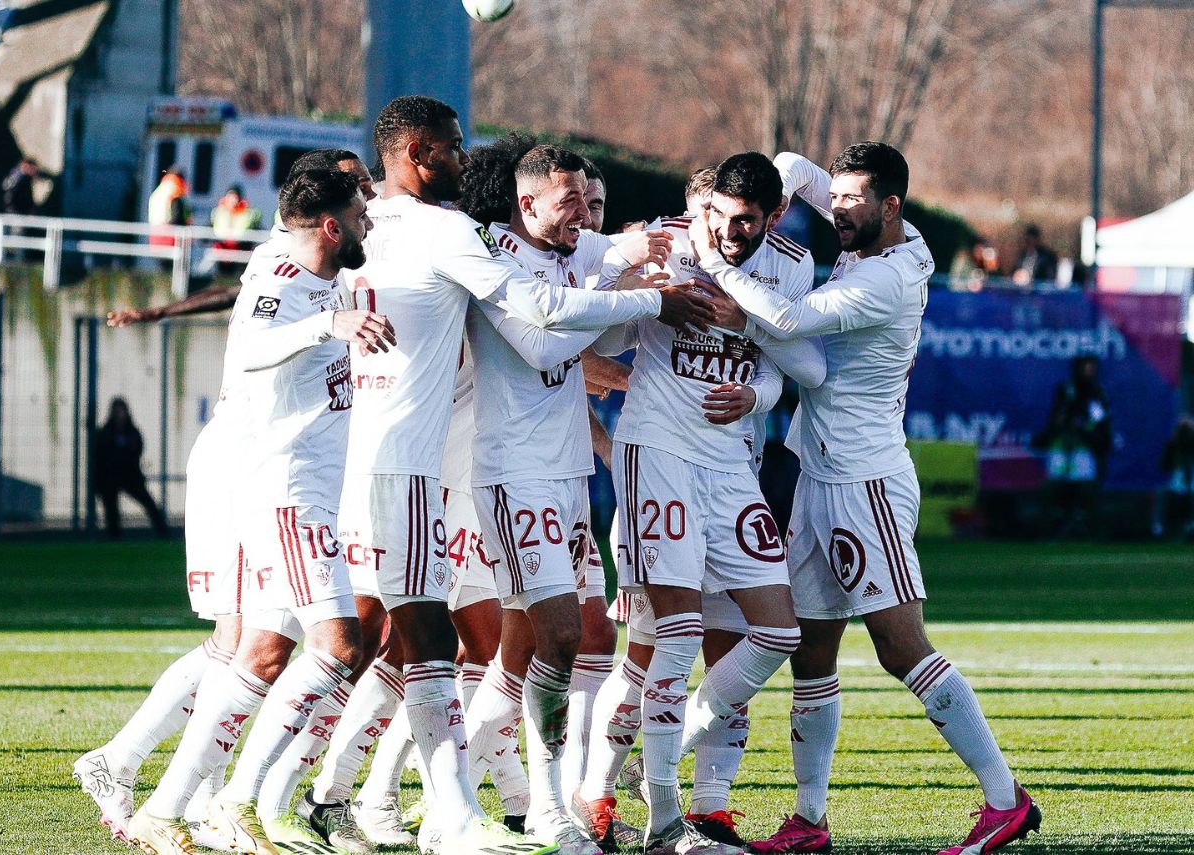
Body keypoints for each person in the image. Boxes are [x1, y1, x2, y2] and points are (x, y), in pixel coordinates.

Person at [299, 94, 709, 855]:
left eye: (593, 201)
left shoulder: (430, 233)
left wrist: (625, 277)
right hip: (482, 470)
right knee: (464, 641)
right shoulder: (479, 246)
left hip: (531, 473)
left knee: (488, 652)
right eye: (573, 200)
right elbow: (545, 341)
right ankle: (345, 793)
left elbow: (601, 331)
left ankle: (399, 798)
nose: (586, 212)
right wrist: (636, 288)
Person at [689, 142, 1039, 855]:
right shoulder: (882, 231)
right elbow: (792, 162)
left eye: (853, 201)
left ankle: (1006, 798)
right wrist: (781, 190)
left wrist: (718, 264)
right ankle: (810, 819)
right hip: (818, 477)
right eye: (835, 197)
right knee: (812, 650)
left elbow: (784, 325)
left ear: (891, 207)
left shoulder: (886, 280)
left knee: (899, 646)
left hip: (865, 483)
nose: (837, 210)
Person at [125, 165, 389, 855]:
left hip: (307, 495)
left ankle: (167, 805)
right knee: (339, 647)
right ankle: (238, 801)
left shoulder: (320, 266)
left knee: (264, 654)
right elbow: (250, 348)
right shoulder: (281, 280)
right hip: (287, 491)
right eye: (361, 211)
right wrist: (330, 324)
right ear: (331, 226)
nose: (369, 220)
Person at [593, 152, 829, 855]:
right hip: (657, 452)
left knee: (775, 631)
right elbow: (597, 330)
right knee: (664, 640)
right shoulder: (665, 239)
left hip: (731, 464)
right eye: (718, 216)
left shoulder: (792, 265)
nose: (727, 230)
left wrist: (751, 387)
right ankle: (630, 806)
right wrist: (637, 283)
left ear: (775, 216)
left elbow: (787, 375)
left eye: (745, 220)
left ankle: (675, 776)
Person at [107, 151, 375, 327]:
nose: (371, 195)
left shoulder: (350, 234)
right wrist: (160, 312)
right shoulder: (282, 256)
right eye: (360, 187)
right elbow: (239, 303)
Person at [1034, 355, 1112, 537]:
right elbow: (1056, 416)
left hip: (1084, 447)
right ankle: (1051, 527)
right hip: (1062, 445)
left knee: (1086, 487)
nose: (1090, 370)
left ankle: (1087, 527)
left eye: (1092, 367)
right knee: (1054, 486)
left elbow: (1101, 420)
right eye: (1087, 366)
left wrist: (1093, 435)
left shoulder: (1096, 392)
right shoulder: (1067, 389)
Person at [92, 398, 168, 538]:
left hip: (130, 477)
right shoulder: (106, 432)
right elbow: (103, 453)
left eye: (122, 411)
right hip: (110, 478)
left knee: (149, 504)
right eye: (117, 411)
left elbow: (136, 449)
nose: (119, 414)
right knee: (111, 509)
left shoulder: (132, 431)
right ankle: (114, 536)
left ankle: (163, 532)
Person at [1154, 418, 1194, 539]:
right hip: (1177, 483)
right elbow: (1164, 465)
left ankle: (1190, 526)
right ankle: (1158, 528)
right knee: (1162, 495)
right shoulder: (1173, 446)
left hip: (1191, 482)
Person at [210, 185, 262, 273]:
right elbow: (213, 228)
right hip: (222, 247)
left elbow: (253, 229)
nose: (232, 200)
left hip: (241, 247)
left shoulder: (248, 213)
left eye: (235, 197)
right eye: (230, 196)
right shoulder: (218, 212)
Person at [148, 166, 191, 247]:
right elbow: (177, 217)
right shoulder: (175, 190)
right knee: (174, 259)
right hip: (170, 237)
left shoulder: (159, 190)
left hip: (155, 235)